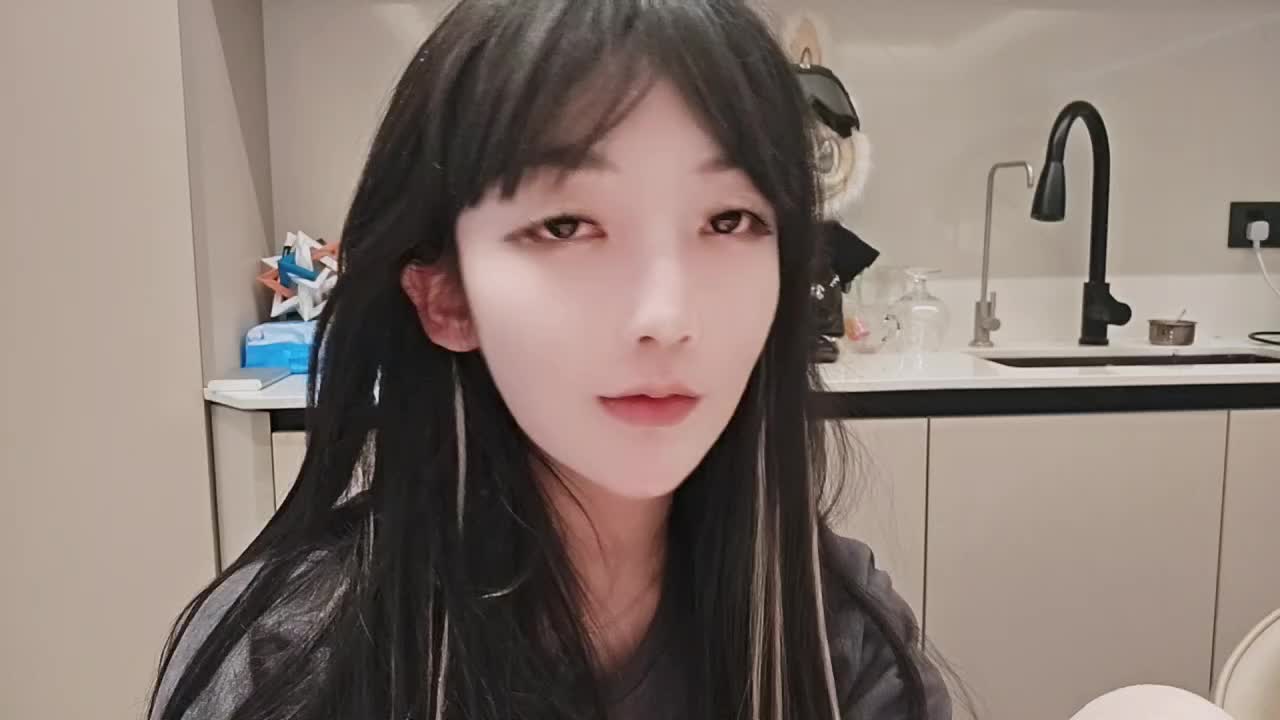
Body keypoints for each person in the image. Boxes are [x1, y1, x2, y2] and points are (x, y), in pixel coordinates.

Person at [148, 1, 951, 719]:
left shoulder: (837, 641)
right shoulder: (286, 664)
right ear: (445, 296)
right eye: (567, 226)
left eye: (729, 220)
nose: (666, 318)